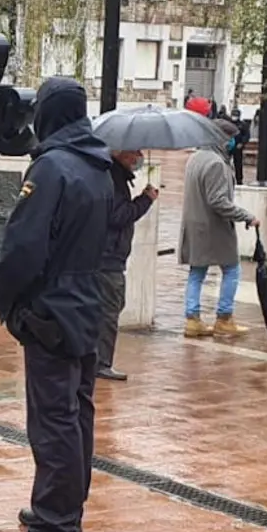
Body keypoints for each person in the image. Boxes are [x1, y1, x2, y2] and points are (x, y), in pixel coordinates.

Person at [0, 77, 112, 532]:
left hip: (53, 309)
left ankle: (54, 528)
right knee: (76, 415)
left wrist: (9, 304)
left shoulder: (52, 169)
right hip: (86, 305)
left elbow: (23, 248)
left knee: (53, 422)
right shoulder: (98, 166)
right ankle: (65, 510)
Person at [180, 120, 259, 338]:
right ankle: (224, 318)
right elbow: (218, 201)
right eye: (230, 138)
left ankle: (192, 319)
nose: (233, 142)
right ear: (222, 138)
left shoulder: (195, 158)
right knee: (232, 269)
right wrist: (246, 216)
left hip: (194, 225)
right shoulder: (216, 163)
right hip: (213, 227)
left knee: (197, 272)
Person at [95, 150, 158, 381]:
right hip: (108, 256)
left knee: (110, 305)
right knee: (110, 309)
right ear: (121, 153)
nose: (138, 157)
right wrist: (145, 200)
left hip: (108, 255)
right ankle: (101, 362)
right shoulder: (114, 178)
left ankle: (94, 358)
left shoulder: (115, 175)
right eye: (134, 153)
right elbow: (119, 215)